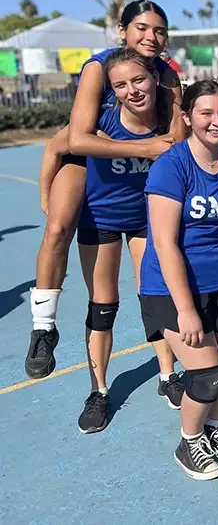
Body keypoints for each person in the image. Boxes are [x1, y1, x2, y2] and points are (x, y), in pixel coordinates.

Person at [27, 0, 184, 380]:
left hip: (127, 167)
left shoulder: (167, 76)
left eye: (159, 30)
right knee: (59, 228)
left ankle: (169, 375)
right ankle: (43, 326)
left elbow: (177, 137)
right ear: (123, 30)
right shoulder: (100, 65)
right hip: (86, 160)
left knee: (156, 277)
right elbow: (76, 141)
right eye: (142, 28)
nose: (152, 36)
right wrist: (145, 147)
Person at [45, 49, 184, 432]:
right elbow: (56, 147)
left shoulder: (168, 125)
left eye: (138, 80)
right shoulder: (99, 124)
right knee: (102, 307)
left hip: (144, 223)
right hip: (100, 221)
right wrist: (47, 199)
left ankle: (167, 375)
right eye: (120, 85)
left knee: (156, 297)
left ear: (154, 79)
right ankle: (99, 391)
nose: (132, 90)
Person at [140, 80, 218, 481]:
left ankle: (214, 428)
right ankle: (189, 440)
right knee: (209, 377)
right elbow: (164, 243)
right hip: (172, 289)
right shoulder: (171, 167)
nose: (217, 121)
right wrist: (186, 309)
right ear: (188, 118)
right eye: (206, 113)